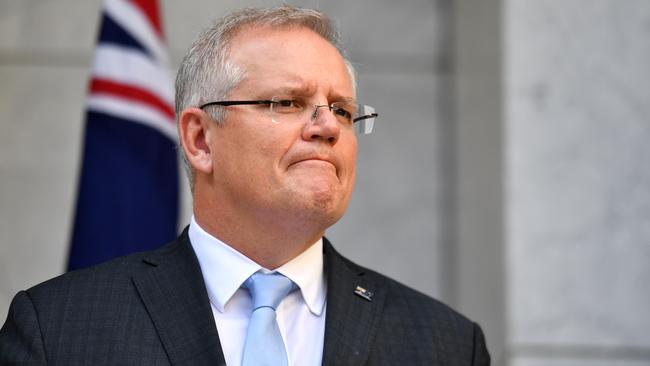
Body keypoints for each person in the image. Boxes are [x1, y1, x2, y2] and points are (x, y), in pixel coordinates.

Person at [0, 6, 490, 365]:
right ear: (199, 140)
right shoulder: (59, 328)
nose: (329, 126)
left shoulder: (443, 344)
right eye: (287, 102)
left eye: (342, 109)